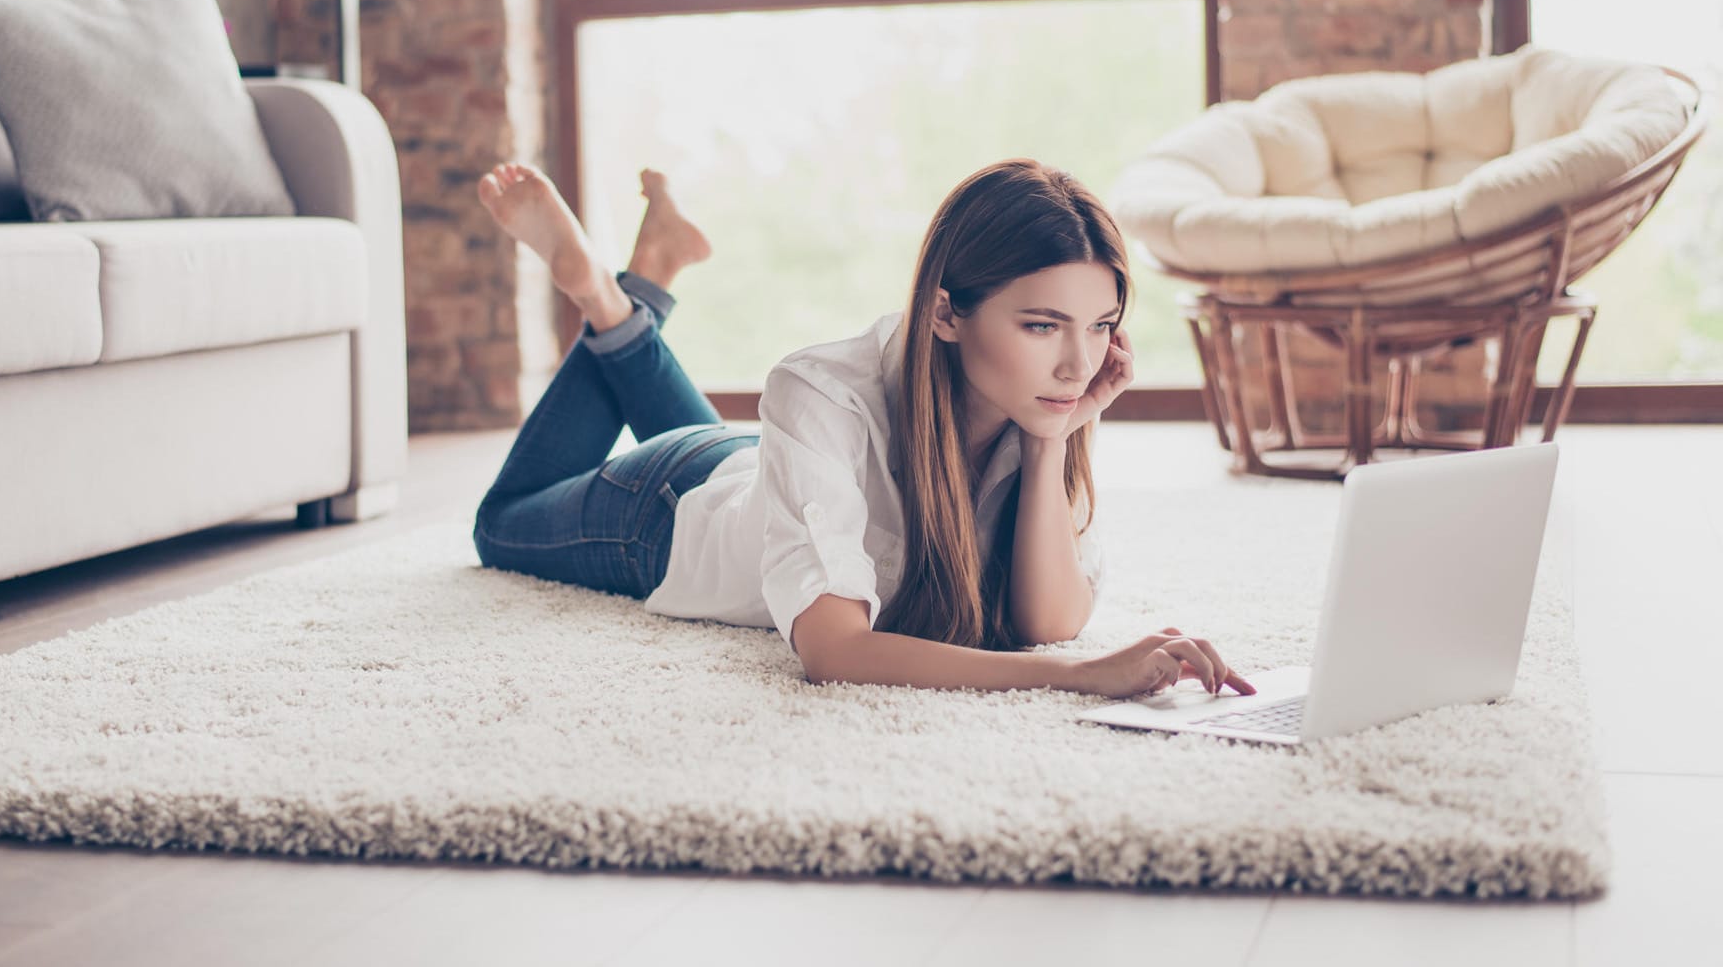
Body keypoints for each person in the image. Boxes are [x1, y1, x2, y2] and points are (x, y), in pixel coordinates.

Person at [471, 158, 1254, 700]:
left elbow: (1044, 622)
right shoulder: (819, 391)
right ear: (945, 311)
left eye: (1101, 327)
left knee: (773, 476)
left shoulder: (1038, 405)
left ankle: (647, 273)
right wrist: (1076, 676)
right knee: (499, 523)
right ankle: (604, 297)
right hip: (665, 512)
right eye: (1044, 326)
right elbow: (833, 651)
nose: (1079, 365)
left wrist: (1052, 442)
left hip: (770, 477)